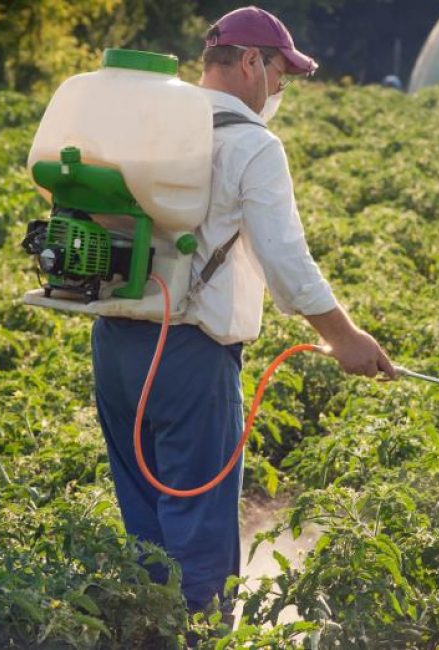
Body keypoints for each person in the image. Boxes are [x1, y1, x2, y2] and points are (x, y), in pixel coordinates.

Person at [91, 4, 396, 624]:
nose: (283, 89)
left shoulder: (149, 123)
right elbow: (285, 259)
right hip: (187, 360)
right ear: (252, 63)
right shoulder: (252, 145)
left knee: (144, 524)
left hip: (115, 345)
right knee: (197, 528)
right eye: (282, 73)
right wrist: (345, 338)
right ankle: (200, 636)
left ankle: (147, 633)